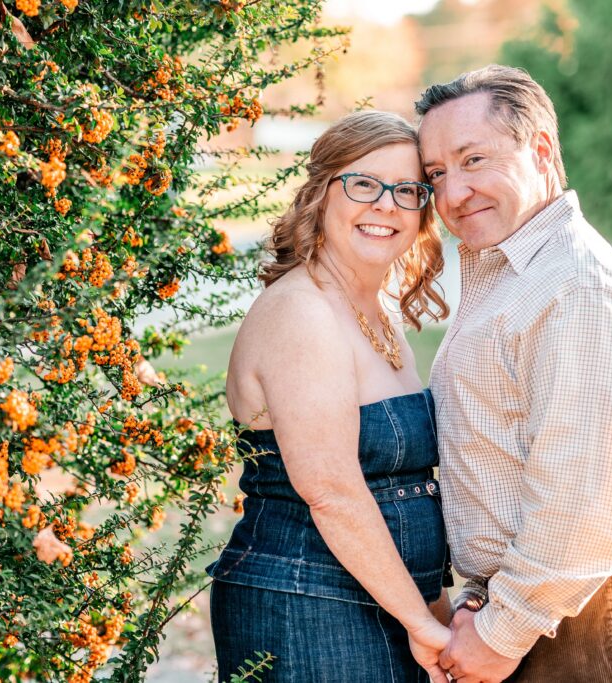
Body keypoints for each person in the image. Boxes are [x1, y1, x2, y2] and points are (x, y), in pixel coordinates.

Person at [417, 65, 612, 683]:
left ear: (540, 149)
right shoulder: (516, 272)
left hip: (586, 604)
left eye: (473, 160)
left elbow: (583, 499)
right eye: (437, 173)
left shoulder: (575, 288)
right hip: (543, 598)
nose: (453, 193)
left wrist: (502, 629)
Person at [207, 110, 453, 682]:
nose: (386, 205)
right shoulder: (302, 313)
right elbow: (333, 492)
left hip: (385, 601)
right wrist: (422, 622)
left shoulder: (378, 313)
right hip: (303, 602)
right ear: (320, 194)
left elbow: (399, 489)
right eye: (364, 184)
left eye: (408, 190)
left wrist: (433, 611)